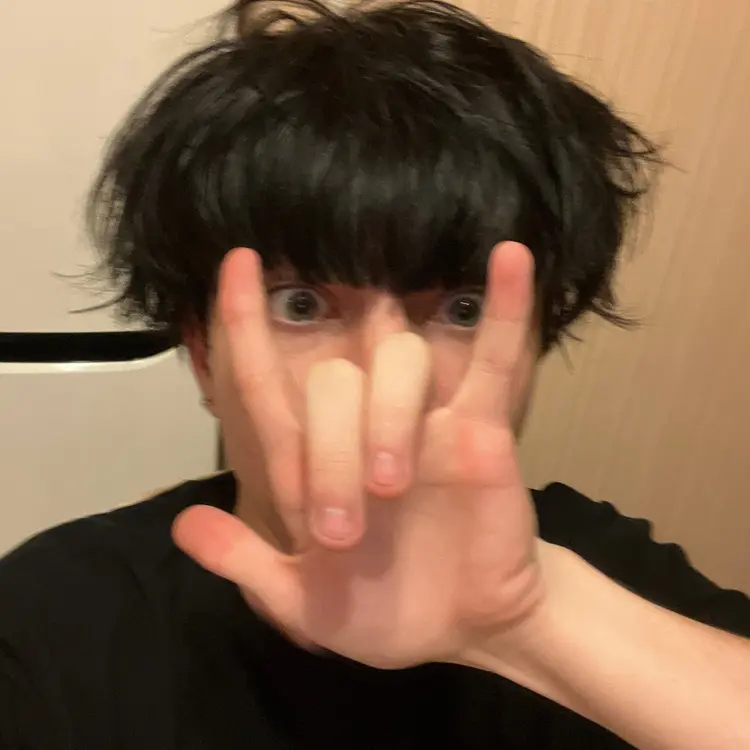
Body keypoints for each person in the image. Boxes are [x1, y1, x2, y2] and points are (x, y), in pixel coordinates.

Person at [1, 0, 749, 747]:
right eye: (301, 304)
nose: (389, 372)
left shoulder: (612, 576)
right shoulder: (54, 624)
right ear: (202, 354)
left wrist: (531, 621)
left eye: (461, 308)